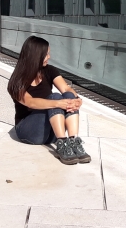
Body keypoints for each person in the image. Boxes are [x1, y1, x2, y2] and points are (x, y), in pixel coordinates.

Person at [7, 35, 91, 165]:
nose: (49, 57)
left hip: (52, 133)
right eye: (46, 54)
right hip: (29, 132)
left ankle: (73, 141)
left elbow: (65, 88)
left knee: (69, 95)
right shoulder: (16, 81)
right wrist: (58, 103)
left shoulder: (50, 71)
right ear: (36, 56)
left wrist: (77, 99)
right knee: (55, 97)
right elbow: (31, 102)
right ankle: (62, 145)